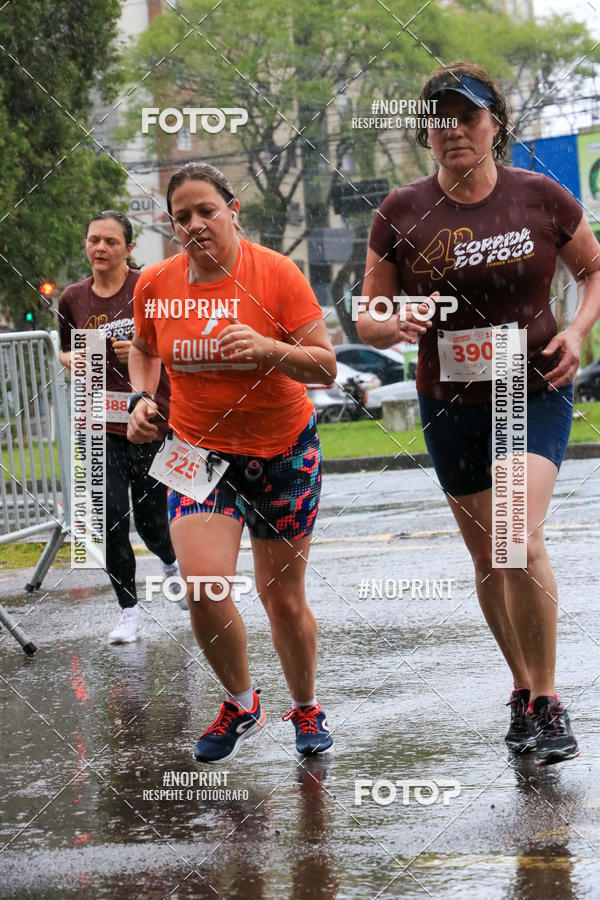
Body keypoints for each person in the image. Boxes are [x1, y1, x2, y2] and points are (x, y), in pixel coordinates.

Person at [358, 61, 600, 767]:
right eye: (440, 119)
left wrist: (579, 332)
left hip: (532, 387)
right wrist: (390, 320)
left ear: (495, 123)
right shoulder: (401, 211)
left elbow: (593, 269)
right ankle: (522, 689)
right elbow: (368, 314)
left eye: (468, 116)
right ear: (426, 134)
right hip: (449, 401)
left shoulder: (540, 196)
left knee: (515, 535)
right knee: (487, 557)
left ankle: (550, 699)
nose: (454, 130)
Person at [127, 162, 337, 763]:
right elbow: (144, 351)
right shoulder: (157, 286)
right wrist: (145, 399)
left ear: (232, 209)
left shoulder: (276, 274)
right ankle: (242, 703)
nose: (194, 225)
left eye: (205, 212)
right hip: (196, 451)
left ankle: (305, 707)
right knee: (202, 584)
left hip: (281, 452)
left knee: (282, 598)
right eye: (181, 217)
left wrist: (270, 348)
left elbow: (324, 365)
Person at [58, 211, 182, 644]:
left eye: (111, 241)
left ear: (128, 248)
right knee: (109, 520)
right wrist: (71, 359)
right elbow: (63, 349)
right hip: (96, 423)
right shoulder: (73, 298)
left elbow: (174, 340)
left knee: (151, 521)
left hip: (146, 418)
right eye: (94, 240)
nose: (100, 248)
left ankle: (170, 563)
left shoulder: (149, 286)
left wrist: (145, 348)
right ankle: (128, 611)